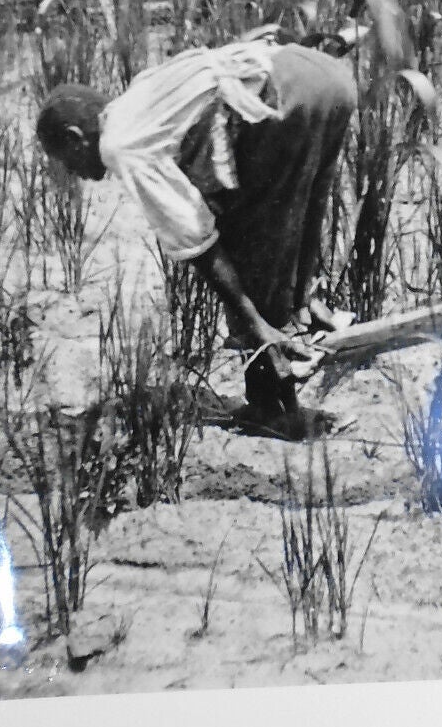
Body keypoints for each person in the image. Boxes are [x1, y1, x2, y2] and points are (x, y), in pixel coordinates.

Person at [36, 35, 357, 434]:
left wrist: (255, 324)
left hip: (282, 89)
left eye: (66, 161)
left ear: (74, 136)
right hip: (323, 75)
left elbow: (196, 240)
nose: (73, 173)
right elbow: (305, 212)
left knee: (251, 252)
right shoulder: (138, 97)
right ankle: (301, 321)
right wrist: (300, 291)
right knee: (297, 208)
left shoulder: (121, 145)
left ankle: (275, 409)